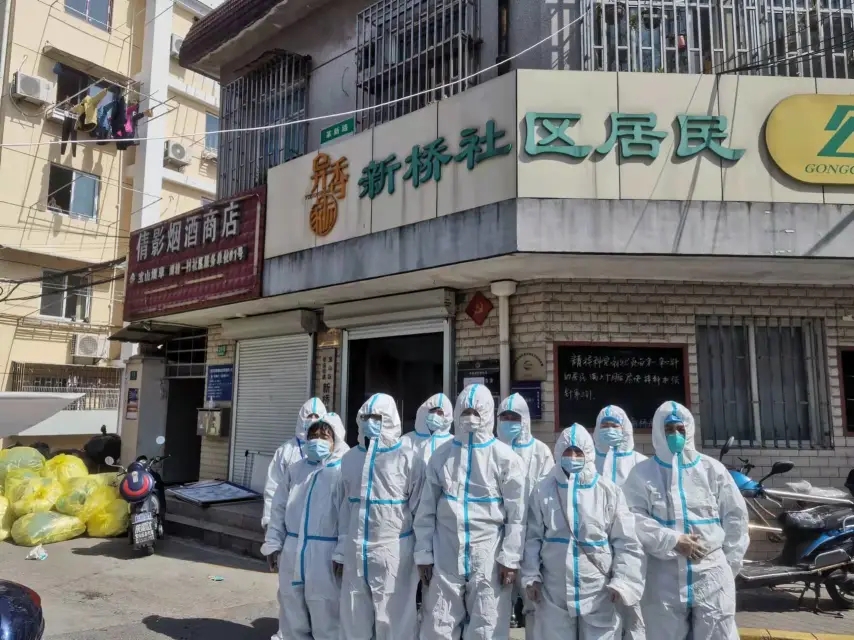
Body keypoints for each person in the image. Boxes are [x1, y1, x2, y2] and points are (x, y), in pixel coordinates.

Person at [622, 401, 749, 640]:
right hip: (663, 578)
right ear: (658, 431)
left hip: (711, 574)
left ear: (689, 429)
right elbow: (632, 518)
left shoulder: (712, 470)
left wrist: (727, 565)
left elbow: (735, 518)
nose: (675, 435)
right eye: (669, 429)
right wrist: (672, 540)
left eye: (680, 429)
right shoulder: (642, 474)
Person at [415, 384, 526, 640]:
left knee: (487, 625)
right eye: (465, 412)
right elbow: (426, 509)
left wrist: (510, 559)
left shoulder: (505, 458)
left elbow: (517, 514)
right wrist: (424, 554)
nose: (470, 418)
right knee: (439, 625)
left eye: (476, 412)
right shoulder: (442, 456)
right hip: (445, 552)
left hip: (488, 554)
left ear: (487, 413)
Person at [522, 423, 645, 640]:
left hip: (598, 590)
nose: (572, 457)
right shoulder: (543, 490)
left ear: (588, 453)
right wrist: (531, 576)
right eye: (567, 451)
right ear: (558, 453)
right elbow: (533, 538)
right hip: (555, 590)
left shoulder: (608, 491)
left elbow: (625, 541)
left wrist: (622, 581)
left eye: (578, 452)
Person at [334, 393, 425, 640]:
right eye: (365, 417)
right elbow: (345, 508)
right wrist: (341, 550)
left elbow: (421, 510)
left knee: (394, 618)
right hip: (356, 549)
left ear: (390, 419)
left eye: (377, 417)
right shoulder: (350, 458)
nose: (370, 422)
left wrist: (424, 552)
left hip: (393, 550)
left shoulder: (408, 457)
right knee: (354, 615)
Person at [261, 413, 349, 640]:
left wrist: (341, 551)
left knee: (326, 608)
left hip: (325, 553)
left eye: (324, 436)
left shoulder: (343, 471)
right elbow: (278, 507)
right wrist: (273, 542)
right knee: (291, 603)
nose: (317, 440)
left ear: (336, 440)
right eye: (313, 435)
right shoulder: (296, 470)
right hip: (293, 548)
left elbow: (348, 516)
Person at [496, 393, 554, 636]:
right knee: (496, 606)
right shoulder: (491, 450)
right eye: (505, 417)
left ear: (525, 420)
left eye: (515, 418)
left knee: (535, 605)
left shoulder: (540, 452)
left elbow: (548, 497)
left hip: (532, 540)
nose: (509, 422)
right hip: (497, 541)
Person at [593, 405, 648, 640]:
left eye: (614, 425)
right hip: (597, 546)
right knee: (602, 611)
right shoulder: (588, 462)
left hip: (634, 545)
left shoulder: (641, 463)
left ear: (625, 429)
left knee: (634, 608)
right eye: (604, 425)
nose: (609, 430)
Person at [262, 397, 327, 529]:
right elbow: (273, 487)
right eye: (309, 416)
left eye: (316, 416)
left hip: (321, 524)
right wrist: (269, 520)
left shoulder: (330, 450)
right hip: (290, 523)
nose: (313, 419)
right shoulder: (285, 451)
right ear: (301, 418)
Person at [400, 393, 454, 462]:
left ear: (447, 416)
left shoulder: (452, 442)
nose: (435, 415)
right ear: (425, 412)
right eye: (432, 411)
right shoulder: (406, 440)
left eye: (439, 413)